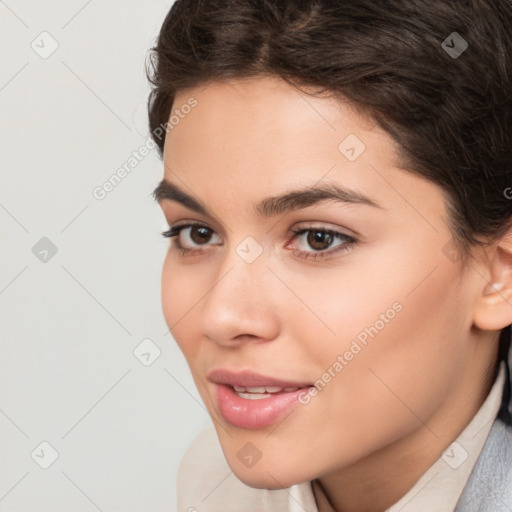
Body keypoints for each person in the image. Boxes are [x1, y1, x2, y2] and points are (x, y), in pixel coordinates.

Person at [147, 0, 512, 510]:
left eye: (319, 238)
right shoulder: (212, 484)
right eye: (197, 233)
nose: (221, 316)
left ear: (500, 272)